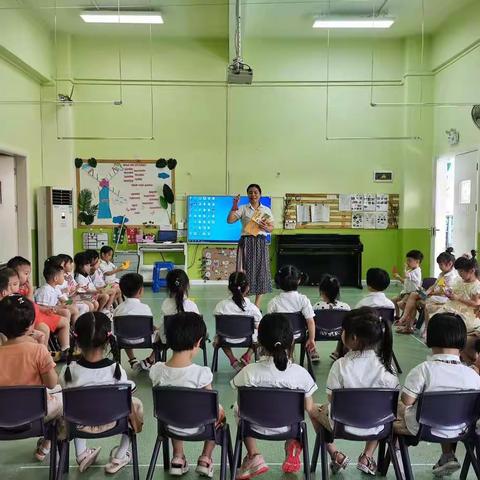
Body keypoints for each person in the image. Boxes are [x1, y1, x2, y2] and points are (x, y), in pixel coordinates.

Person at [310, 307, 399, 476]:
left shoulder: (340, 365)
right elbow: (390, 404)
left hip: (341, 426)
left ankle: (335, 454)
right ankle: (367, 456)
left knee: (314, 409)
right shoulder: (388, 368)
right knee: (380, 411)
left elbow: (331, 398)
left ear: (354, 338)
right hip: (378, 427)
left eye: (343, 330)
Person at [231, 313, 317, 478]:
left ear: (260, 342)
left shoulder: (249, 372)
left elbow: (240, 398)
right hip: (288, 427)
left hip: (254, 426)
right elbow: (308, 407)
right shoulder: (300, 373)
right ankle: (293, 441)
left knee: (237, 407)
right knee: (300, 414)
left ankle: (254, 455)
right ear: (292, 341)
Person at [395, 313, 480, 476]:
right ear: (462, 341)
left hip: (423, 428)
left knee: (396, 409)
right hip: (461, 428)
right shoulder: (473, 375)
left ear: (429, 339)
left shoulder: (422, 370)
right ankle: (447, 455)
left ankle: (397, 457)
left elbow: (407, 401)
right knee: (450, 408)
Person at [60, 312, 144, 474]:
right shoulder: (116, 369)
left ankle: (81, 453)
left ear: (76, 340)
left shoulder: (68, 371)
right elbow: (127, 395)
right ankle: (120, 455)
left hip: (79, 425)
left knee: (75, 404)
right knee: (136, 403)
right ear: (108, 340)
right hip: (113, 422)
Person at [150, 312, 222, 478]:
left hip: (169, 426)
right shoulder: (202, 373)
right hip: (200, 427)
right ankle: (205, 458)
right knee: (218, 412)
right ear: (198, 343)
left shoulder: (157, 370)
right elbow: (210, 407)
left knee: (175, 408)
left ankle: (177, 457)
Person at [0, 295, 62, 462]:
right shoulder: (38, 351)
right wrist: (42, 345)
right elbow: (51, 383)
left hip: (2, 416)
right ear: (30, 325)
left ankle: (46, 444)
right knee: (63, 396)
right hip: (35, 415)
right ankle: (48, 442)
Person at [7, 257, 70, 355]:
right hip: (30, 317)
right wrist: (30, 292)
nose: (28, 277)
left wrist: (45, 309)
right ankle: (43, 356)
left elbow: (33, 304)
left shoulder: (25, 287)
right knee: (44, 329)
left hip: (38, 313)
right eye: (26, 273)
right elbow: (27, 306)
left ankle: (65, 350)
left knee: (65, 320)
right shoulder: (12, 289)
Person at [227, 184, 274, 308]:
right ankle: (245, 302)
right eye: (250, 192)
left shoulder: (266, 210)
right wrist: (234, 205)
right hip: (246, 242)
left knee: (261, 271)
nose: (253, 195)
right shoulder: (243, 208)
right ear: (247, 194)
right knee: (244, 271)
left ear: (260, 194)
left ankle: (257, 306)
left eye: (255, 192)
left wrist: (265, 227)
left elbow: (271, 228)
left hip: (261, 242)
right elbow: (230, 220)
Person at [397, 248, 459, 334]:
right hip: (434, 295)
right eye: (439, 265)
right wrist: (426, 292)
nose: (439, 267)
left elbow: (443, 292)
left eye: (441, 265)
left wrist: (430, 293)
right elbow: (434, 286)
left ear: (450, 264)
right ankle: (407, 324)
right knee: (413, 295)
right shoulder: (442, 273)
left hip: (442, 298)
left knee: (413, 298)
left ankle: (412, 324)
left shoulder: (451, 276)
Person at [267, 265, 319, 362]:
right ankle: (290, 357)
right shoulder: (303, 300)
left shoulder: (273, 302)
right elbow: (310, 321)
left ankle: (287, 356)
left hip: (279, 336)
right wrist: (311, 339)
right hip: (298, 335)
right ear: (299, 281)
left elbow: (270, 324)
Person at [213, 271, 262, 372]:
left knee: (219, 335)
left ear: (229, 288)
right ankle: (248, 355)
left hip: (225, 340)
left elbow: (218, 323)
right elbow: (259, 326)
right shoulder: (252, 308)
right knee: (261, 336)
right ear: (247, 288)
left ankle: (233, 360)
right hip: (247, 339)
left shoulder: (221, 305)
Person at [113, 273, 154, 372]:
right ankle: (150, 360)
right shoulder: (145, 308)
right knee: (161, 336)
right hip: (144, 340)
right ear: (140, 290)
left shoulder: (118, 309)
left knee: (126, 329)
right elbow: (147, 326)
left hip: (123, 340)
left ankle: (132, 359)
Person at [435, 251, 480, 332]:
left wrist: (458, 298)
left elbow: (476, 303)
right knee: (436, 318)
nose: (459, 274)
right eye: (458, 271)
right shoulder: (460, 280)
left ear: (472, 271)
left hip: (465, 314)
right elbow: (454, 291)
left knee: (447, 323)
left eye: (461, 271)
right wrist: (448, 292)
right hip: (452, 307)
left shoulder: (476, 285)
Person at [313, 274, 350, 362]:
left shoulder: (316, 307)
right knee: (345, 327)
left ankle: (313, 351)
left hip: (319, 333)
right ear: (337, 292)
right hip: (338, 333)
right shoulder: (345, 307)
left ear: (321, 291)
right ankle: (338, 351)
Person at [392, 250, 423, 318]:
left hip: (412, 293)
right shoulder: (411, 270)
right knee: (394, 300)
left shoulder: (417, 271)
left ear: (417, 261)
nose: (407, 263)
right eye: (407, 260)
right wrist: (398, 277)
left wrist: (404, 268)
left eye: (409, 261)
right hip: (406, 292)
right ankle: (397, 316)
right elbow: (406, 282)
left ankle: (411, 318)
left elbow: (406, 275)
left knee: (401, 304)